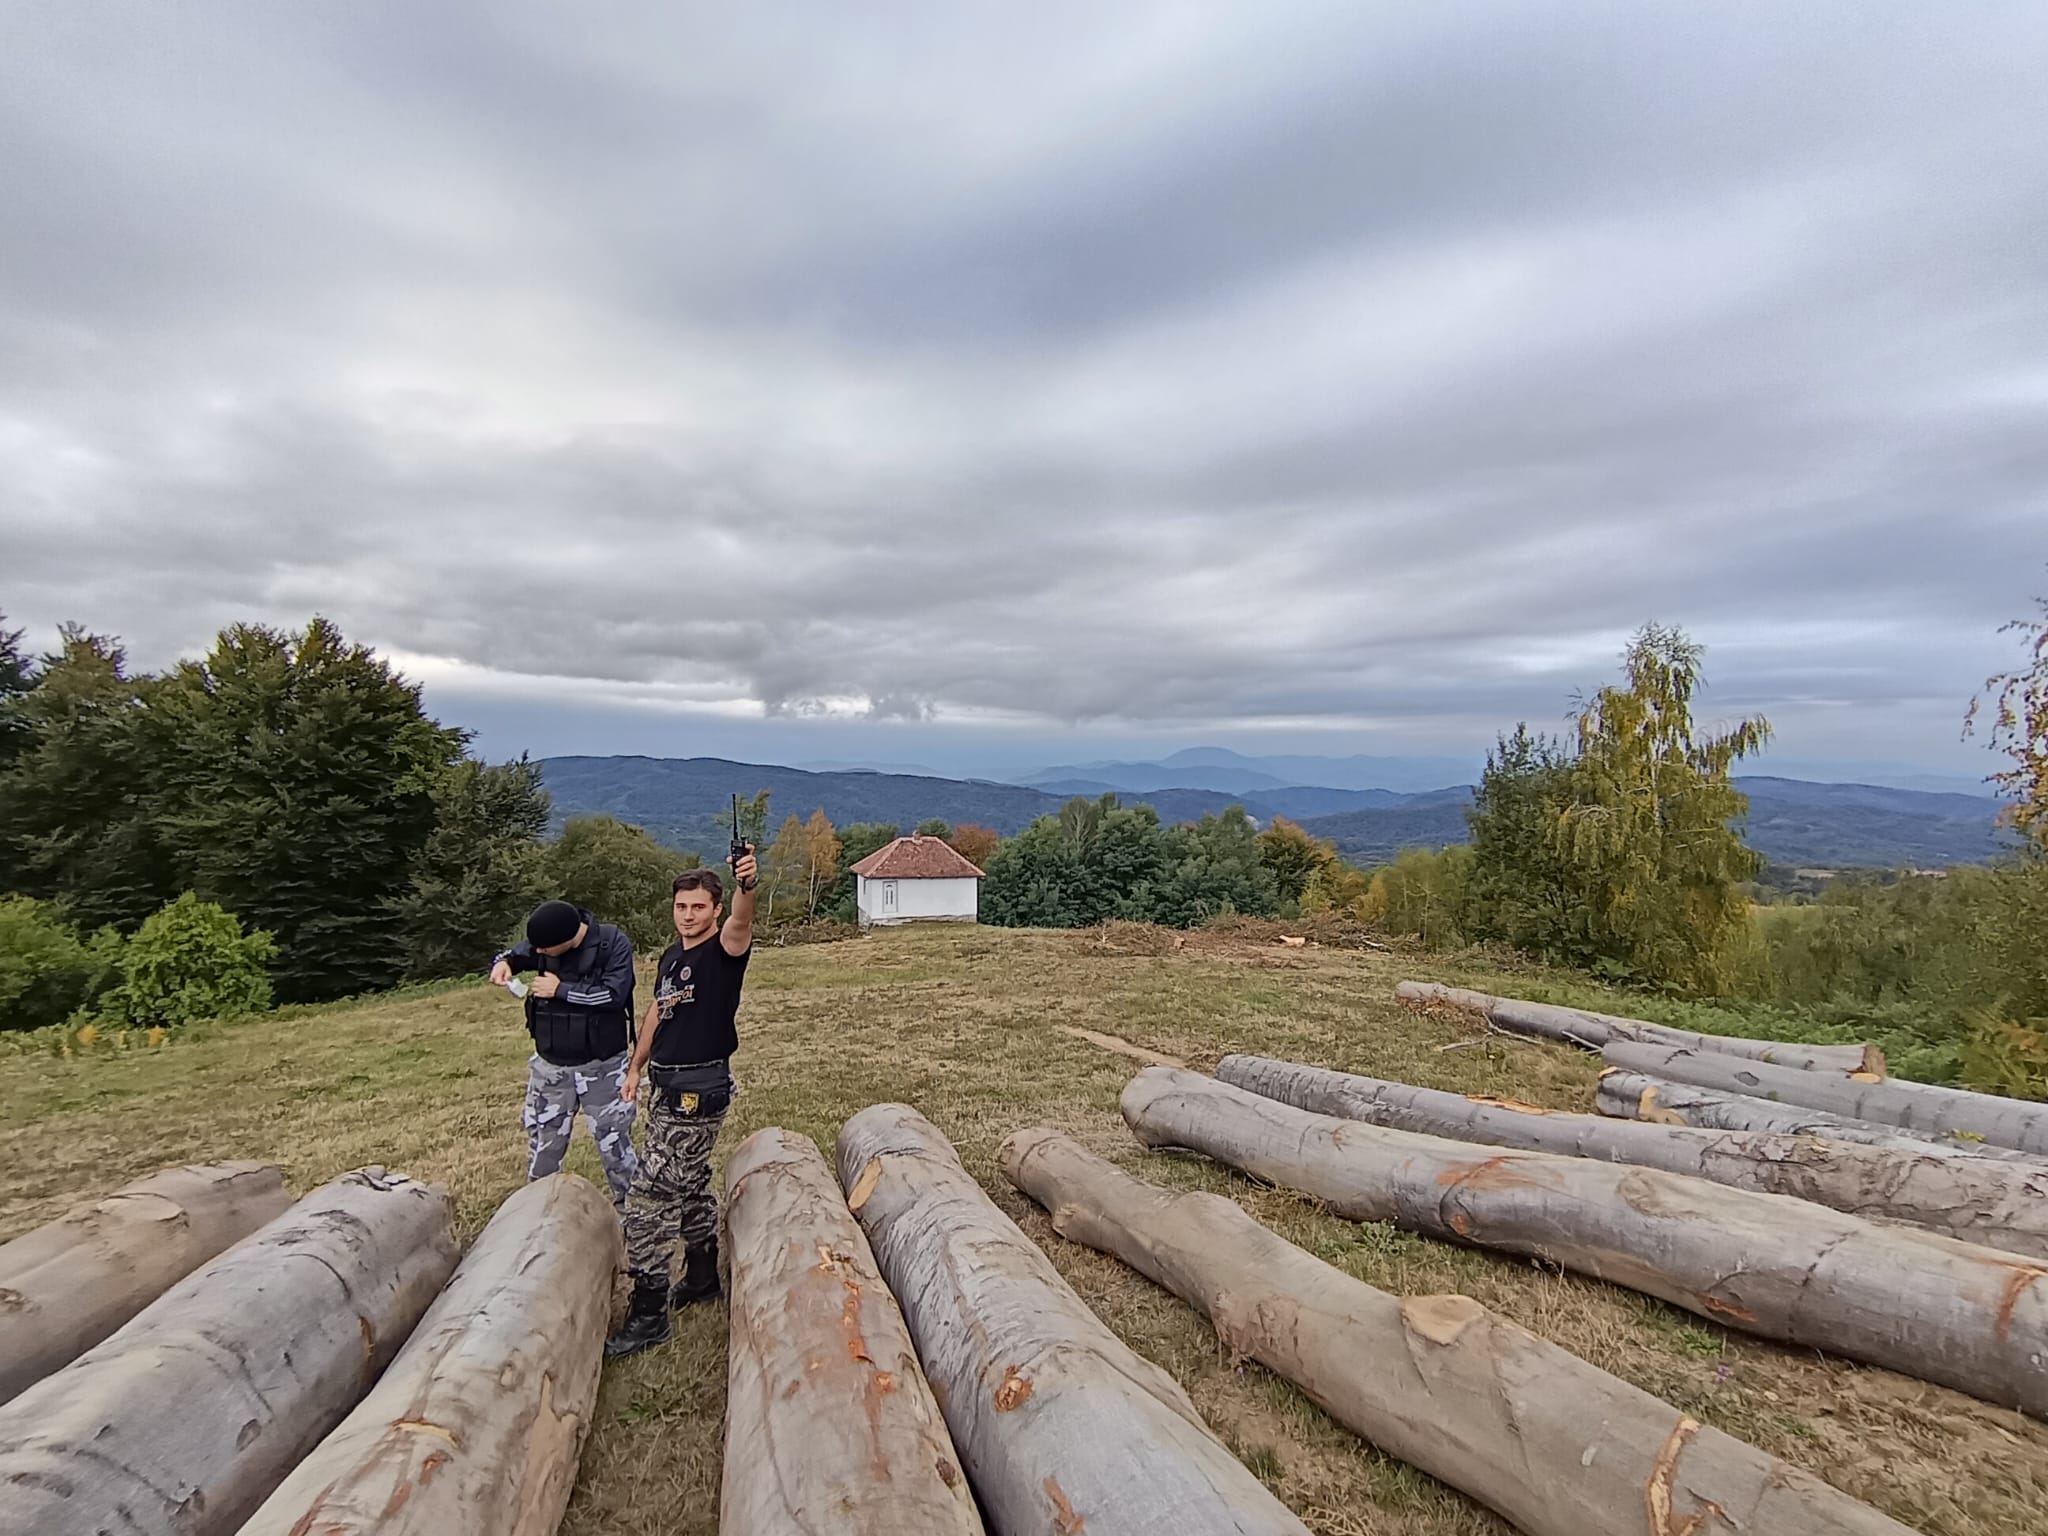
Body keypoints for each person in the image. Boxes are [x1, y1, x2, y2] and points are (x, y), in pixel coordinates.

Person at [605, 848, 757, 1358]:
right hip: (666, 1087)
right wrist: (635, 1065)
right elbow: (657, 1012)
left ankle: (649, 1313)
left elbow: (742, 918)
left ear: (714, 910)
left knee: (647, 1199)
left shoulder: (724, 951)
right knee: (689, 1183)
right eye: (681, 907)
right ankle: (700, 1277)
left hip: (697, 1093)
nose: (689, 915)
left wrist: (747, 886)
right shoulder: (673, 958)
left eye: (698, 907)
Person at [488, 899, 640, 1213]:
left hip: (603, 1067)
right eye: (537, 948)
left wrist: (561, 990)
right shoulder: (546, 940)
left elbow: (614, 995)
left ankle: (633, 1215)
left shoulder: (612, 944)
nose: (539, 953)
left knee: (615, 1146)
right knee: (544, 1146)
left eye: (545, 950)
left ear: (569, 939)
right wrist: (504, 963)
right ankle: (539, 1215)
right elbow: (519, 953)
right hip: (551, 1068)